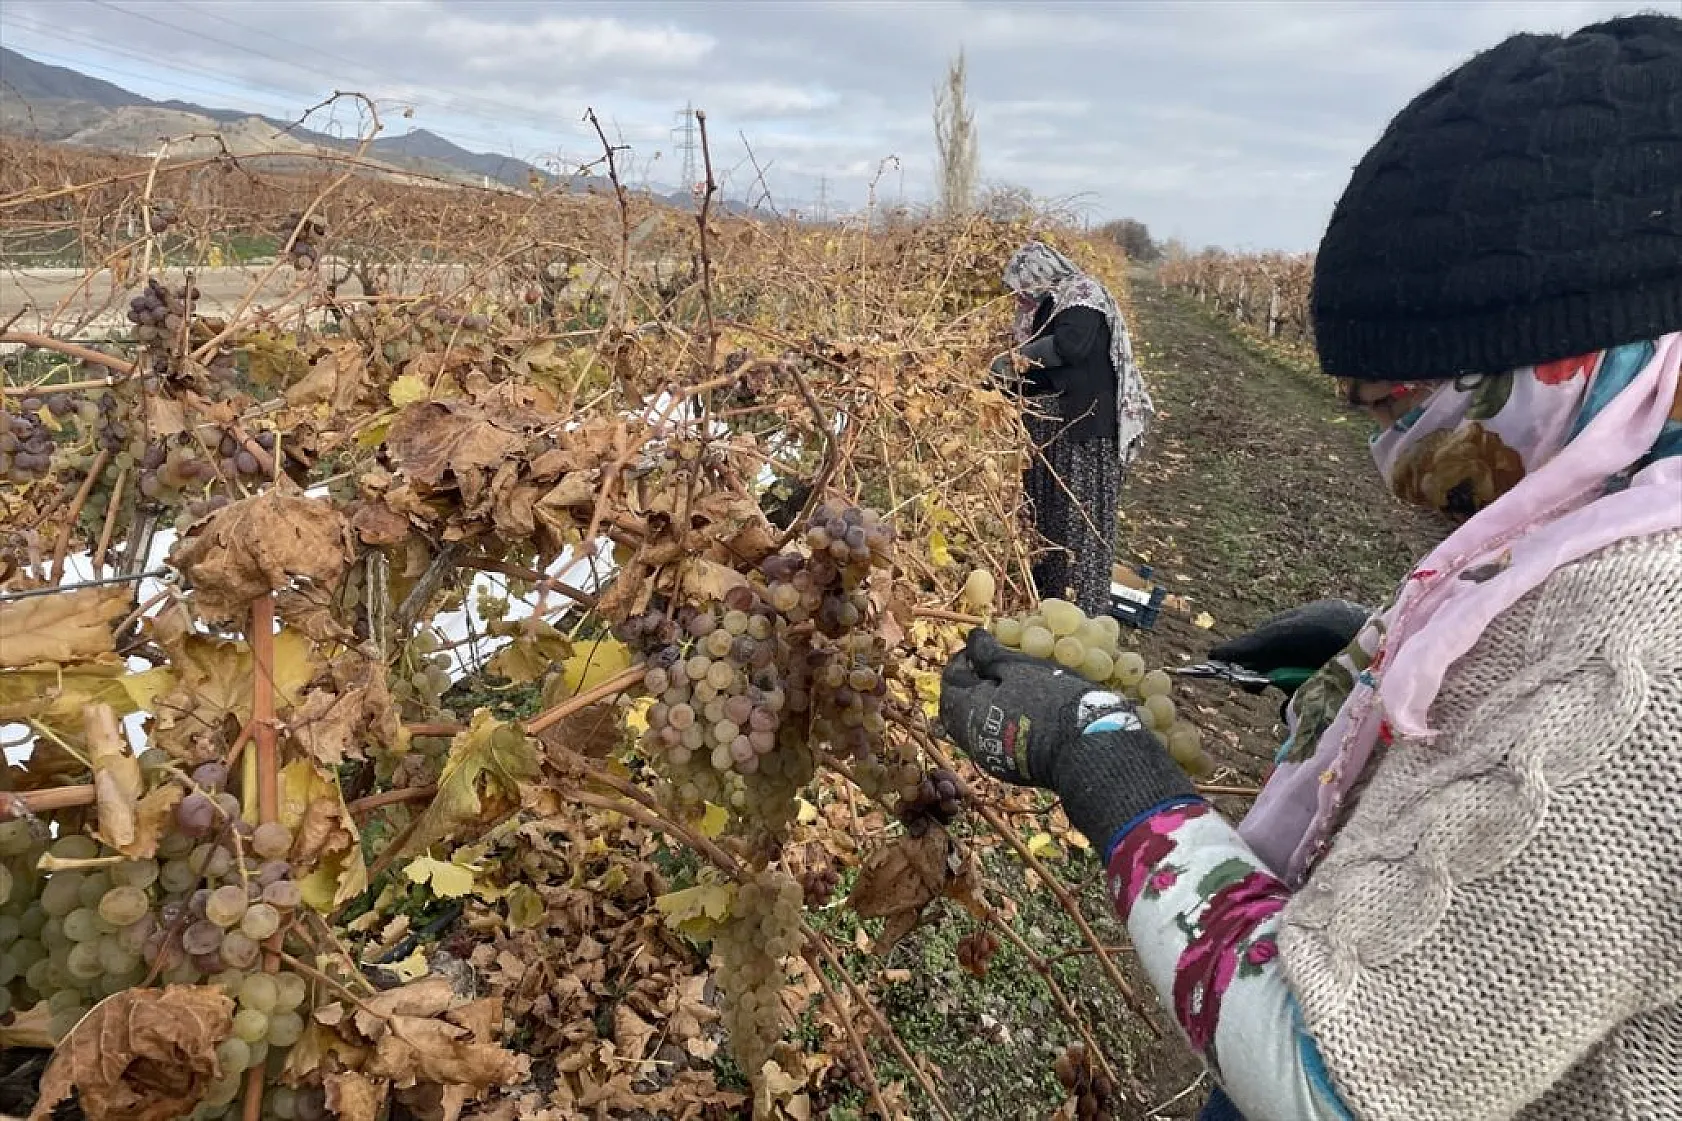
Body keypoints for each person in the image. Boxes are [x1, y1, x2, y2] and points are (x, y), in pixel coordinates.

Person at [941, 15, 1681, 1121]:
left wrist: (1105, 766)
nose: (1385, 456)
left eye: (1398, 406)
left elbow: (1330, 1079)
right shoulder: (1609, 520)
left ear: (1572, 355)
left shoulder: (1643, 658)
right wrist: (1364, 663)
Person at [991, 241, 1151, 616]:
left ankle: (1082, 612)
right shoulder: (1047, 306)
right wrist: (994, 384)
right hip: (1053, 435)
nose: (1019, 297)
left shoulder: (1083, 296)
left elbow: (1071, 347)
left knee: (1080, 525)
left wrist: (1014, 360)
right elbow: (1042, 378)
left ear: (1038, 274)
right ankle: (1047, 604)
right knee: (1048, 523)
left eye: (1021, 286)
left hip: (1086, 435)